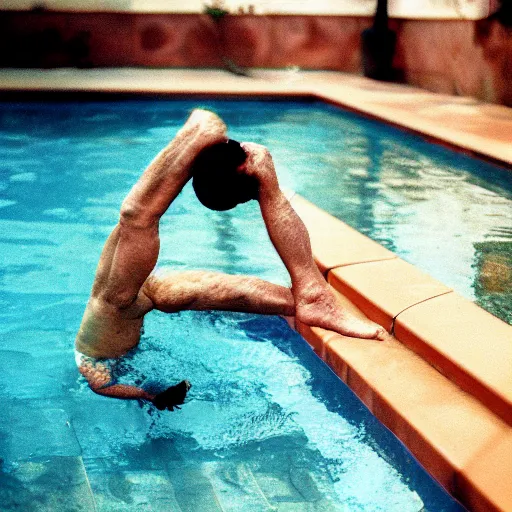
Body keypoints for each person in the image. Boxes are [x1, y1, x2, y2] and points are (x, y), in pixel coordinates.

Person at [75, 109, 385, 411]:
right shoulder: (100, 355)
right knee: (193, 283)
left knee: (136, 220)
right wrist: (148, 393)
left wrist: (148, 395)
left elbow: (102, 386)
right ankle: (310, 299)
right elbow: (104, 384)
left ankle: (203, 135)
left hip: (119, 306)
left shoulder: (92, 363)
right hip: (137, 302)